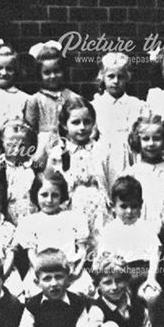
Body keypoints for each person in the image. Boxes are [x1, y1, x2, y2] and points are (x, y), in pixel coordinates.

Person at [14, 171, 95, 297]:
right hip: (43, 274)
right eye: (44, 195)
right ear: (36, 195)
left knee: (78, 297)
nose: (49, 200)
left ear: (62, 195)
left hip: (71, 274)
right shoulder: (30, 222)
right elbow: (32, 254)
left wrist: (76, 272)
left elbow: (82, 251)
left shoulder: (74, 218)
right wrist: (41, 273)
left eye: (55, 195)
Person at [46, 97, 111, 234]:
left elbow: (112, 181)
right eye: (76, 122)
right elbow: (50, 184)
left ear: (93, 123)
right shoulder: (58, 153)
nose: (82, 127)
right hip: (70, 209)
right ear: (65, 125)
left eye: (87, 122)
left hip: (99, 210)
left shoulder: (103, 150)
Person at [95, 176, 162, 299]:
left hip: (144, 274)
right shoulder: (109, 231)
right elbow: (104, 261)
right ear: (113, 206)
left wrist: (151, 278)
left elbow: (154, 255)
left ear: (141, 205)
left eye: (134, 206)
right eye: (124, 206)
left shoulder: (147, 228)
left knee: (152, 295)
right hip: (119, 277)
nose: (129, 211)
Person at [91, 52, 148, 187]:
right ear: (102, 77)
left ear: (127, 77)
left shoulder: (137, 105)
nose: (116, 81)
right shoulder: (96, 105)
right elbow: (92, 135)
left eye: (120, 77)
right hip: (105, 155)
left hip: (131, 154)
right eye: (111, 76)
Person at [24, 40, 81, 164]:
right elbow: (30, 130)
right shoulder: (35, 100)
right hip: (43, 145)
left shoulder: (72, 97)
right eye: (47, 73)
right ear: (39, 74)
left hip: (68, 142)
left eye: (57, 71)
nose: (53, 76)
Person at [122, 115, 164, 228]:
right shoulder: (131, 174)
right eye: (145, 139)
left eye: (156, 138)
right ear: (137, 141)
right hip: (139, 231)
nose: (151, 144)